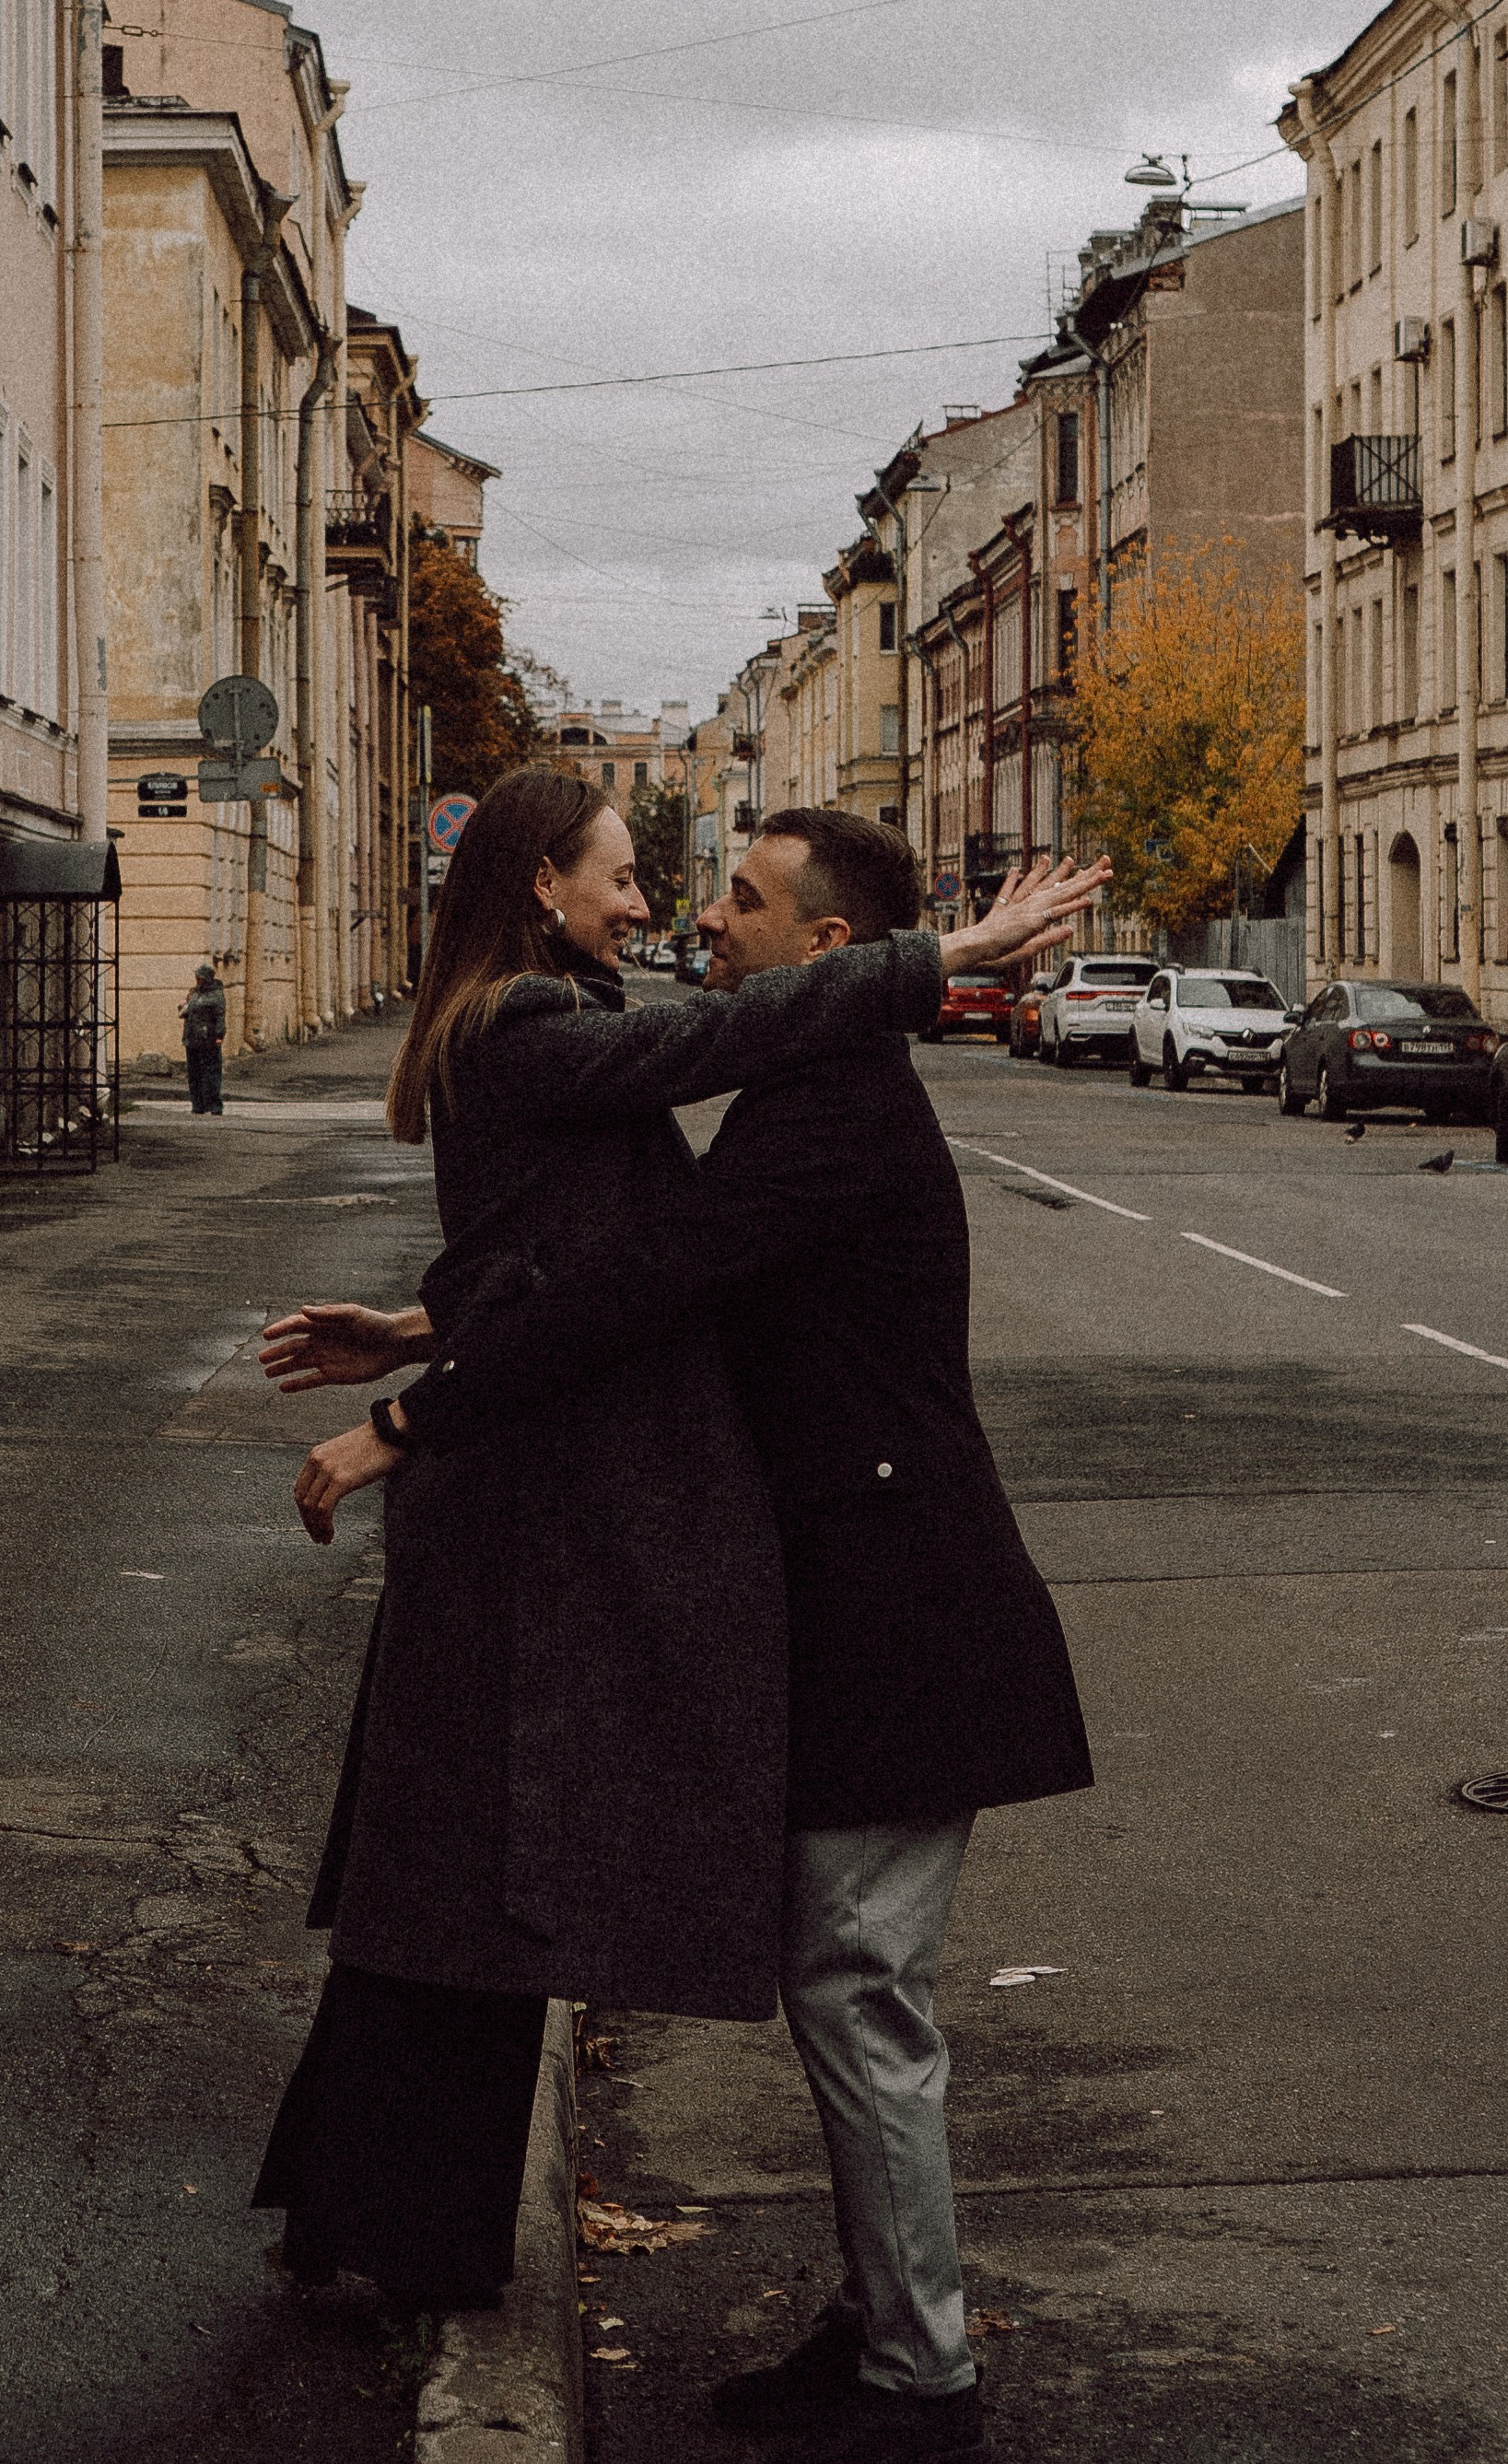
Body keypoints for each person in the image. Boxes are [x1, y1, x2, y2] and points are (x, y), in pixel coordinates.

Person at [251, 766, 1106, 2317]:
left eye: (719, 897)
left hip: (625, 1515)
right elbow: (631, 1233)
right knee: (474, 1880)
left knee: (492, 1884)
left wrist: (414, 1346)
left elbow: (633, 1253)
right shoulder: (534, 1021)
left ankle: (897, 2356)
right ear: (541, 886)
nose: (666, 908)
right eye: (628, 875)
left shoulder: (675, 1061)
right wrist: (951, 951)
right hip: (521, 1498)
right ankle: (396, 2221)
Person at [180, 963, 226, 1115]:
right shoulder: (194, 993)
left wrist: (219, 1036)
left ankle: (214, 1105)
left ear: (207, 979)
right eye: (197, 978)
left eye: (201, 978)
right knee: (194, 1073)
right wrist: (183, 1007)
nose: (198, 981)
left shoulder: (216, 994)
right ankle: (198, 1104)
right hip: (192, 1038)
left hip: (208, 1039)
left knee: (211, 1073)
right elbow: (188, 1011)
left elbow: (220, 1017)